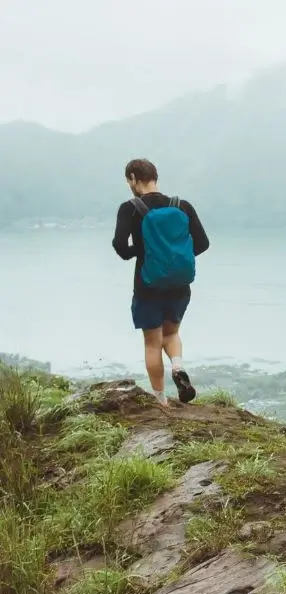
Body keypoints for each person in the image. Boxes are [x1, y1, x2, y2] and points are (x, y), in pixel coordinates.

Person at [112, 158, 209, 407]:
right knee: (172, 333)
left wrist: (143, 252)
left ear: (133, 179)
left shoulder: (130, 208)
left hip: (148, 286)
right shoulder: (182, 206)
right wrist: (175, 257)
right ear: (155, 177)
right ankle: (178, 367)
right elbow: (202, 244)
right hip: (179, 285)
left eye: (129, 181)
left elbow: (121, 248)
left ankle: (161, 401)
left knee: (152, 343)